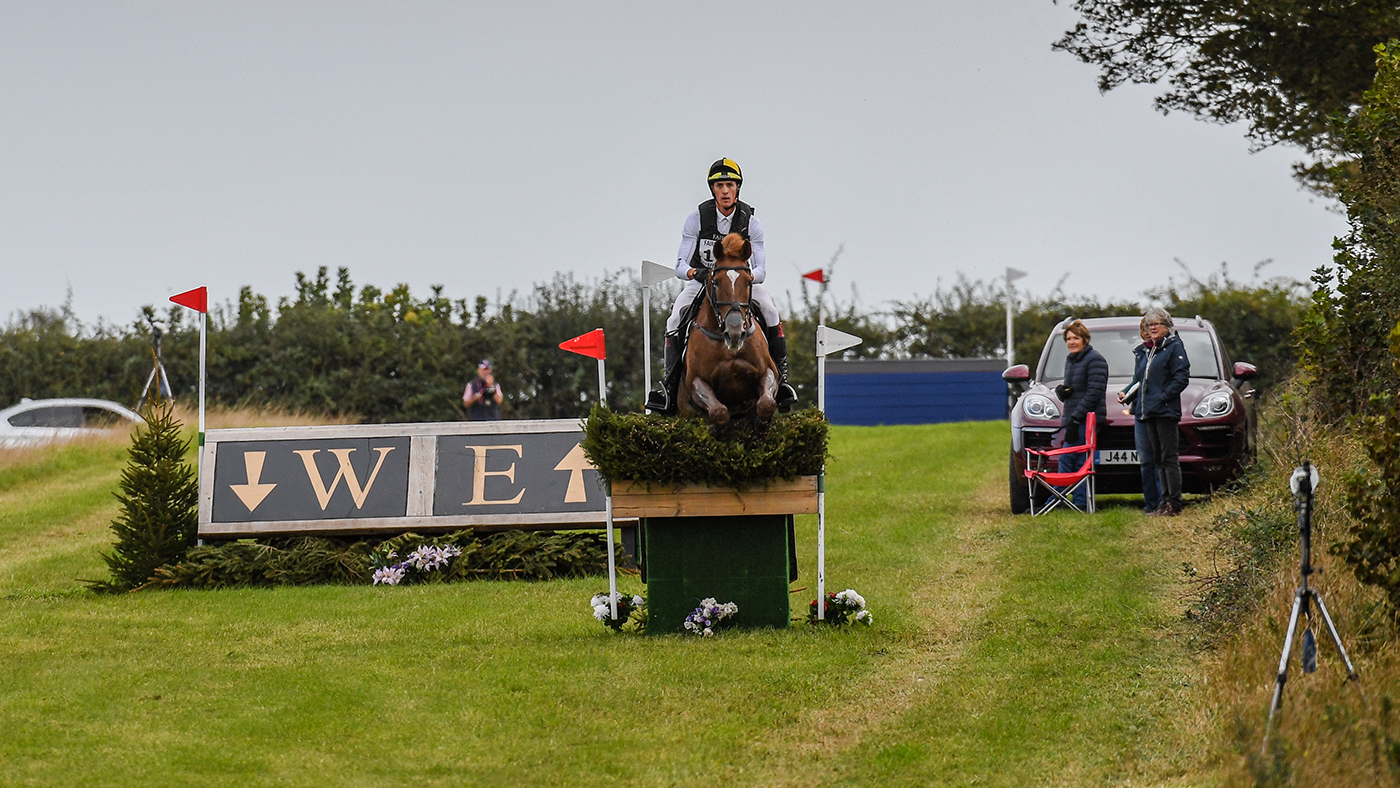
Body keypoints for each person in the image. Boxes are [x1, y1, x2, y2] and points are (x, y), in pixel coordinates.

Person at [644, 158, 797, 414]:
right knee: (674, 319)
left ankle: (782, 382)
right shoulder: (697, 219)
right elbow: (680, 266)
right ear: (712, 189)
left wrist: (738, 274)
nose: (725, 191)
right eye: (719, 186)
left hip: (739, 285)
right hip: (703, 283)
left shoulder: (752, 222)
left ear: (737, 188)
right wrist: (699, 272)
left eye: (730, 185)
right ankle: (669, 390)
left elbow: (761, 270)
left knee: (770, 311)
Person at [1138, 307, 1191, 516]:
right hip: (1149, 410)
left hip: (1166, 411)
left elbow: (1181, 377)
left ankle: (1174, 503)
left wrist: (1164, 396)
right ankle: (1163, 500)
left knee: (1169, 458)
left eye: (1156, 324)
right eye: (1149, 325)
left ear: (1166, 327)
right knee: (1158, 458)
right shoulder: (1151, 350)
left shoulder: (1174, 347)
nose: (1152, 328)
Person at [1055, 319, 1108, 510]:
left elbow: (1094, 392)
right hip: (1073, 418)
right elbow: (1076, 389)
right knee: (1077, 461)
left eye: (1076, 338)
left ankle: (1056, 500)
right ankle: (1079, 502)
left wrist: (1076, 418)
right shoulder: (1071, 360)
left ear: (1085, 339)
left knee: (1069, 459)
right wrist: (1062, 391)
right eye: (1068, 339)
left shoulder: (1095, 360)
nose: (1071, 342)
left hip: (1086, 419)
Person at [1119, 319, 1162, 513]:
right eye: (1143, 328)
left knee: (1159, 460)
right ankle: (1150, 503)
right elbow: (1137, 380)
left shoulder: (1165, 351)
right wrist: (1125, 392)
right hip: (1140, 411)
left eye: (1149, 328)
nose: (1146, 332)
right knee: (1145, 460)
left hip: (1158, 411)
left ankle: (1163, 501)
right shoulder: (1141, 353)